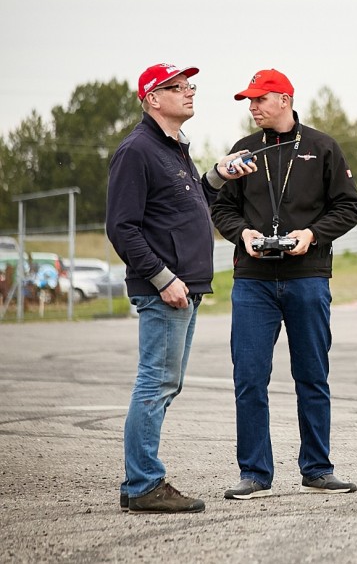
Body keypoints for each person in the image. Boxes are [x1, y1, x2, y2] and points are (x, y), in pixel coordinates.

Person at [107, 63, 256, 513]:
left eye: (190, 85)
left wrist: (216, 175)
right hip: (165, 288)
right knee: (155, 382)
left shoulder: (174, 149)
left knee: (165, 383)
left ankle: (140, 479)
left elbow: (186, 205)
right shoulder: (137, 150)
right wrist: (162, 278)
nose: (189, 92)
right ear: (152, 98)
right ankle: (143, 483)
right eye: (176, 87)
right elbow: (122, 228)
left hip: (185, 286)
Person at [211, 68, 357, 500]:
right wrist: (243, 234)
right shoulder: (242, 151)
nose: (253, 107)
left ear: (285, 99)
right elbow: (222, 208)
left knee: (312, 376)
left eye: (260, 99)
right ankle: (255, 473)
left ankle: (317, 468)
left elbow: (349, 207)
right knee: (250, 378)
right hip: (253, 281)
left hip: (307, 276)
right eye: (249, 101)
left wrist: (310, 235)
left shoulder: (322, 147)